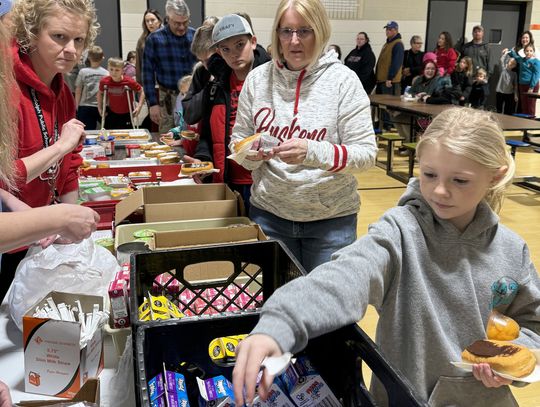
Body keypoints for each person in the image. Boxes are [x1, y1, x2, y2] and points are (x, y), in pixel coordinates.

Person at [232, 107, 540, 407]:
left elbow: (533, 326)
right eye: (429, 174)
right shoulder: (401, 230)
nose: (440, 191)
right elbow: (346, 276)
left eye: (460, 180)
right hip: (402, 397)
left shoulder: (512, 250)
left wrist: (513, 361)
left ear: (494, 176)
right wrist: (281, 323)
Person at [229, 0, 377, 271]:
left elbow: (366, 154)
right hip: (269, 216)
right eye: (286, 31)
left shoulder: (344, 82)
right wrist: (250, 154)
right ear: (277, 34)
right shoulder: (257, 80)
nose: (294, 41)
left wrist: (312, 152)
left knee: (330, 312)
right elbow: (238, 139)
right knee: (277, 308)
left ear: (320, 31)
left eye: (304, 31)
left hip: (331, 222)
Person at [0, 0, 99, 297]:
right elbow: (5, 178)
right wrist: (60, 146)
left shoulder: (62, 90)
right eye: (59, 37)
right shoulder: (7, 87)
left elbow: (70, 164)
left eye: (78, 40)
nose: (71, 49)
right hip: (12, 237)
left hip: (42, 235)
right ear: (31, 33)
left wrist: (71, 213)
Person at [183, 14, 271, 214]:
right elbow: (207, 132)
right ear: (219, 53)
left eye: (240, 44)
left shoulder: (272, 80)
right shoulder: (216, 85)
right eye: (226, 49)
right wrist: (202, 158)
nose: (234, 54)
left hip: (264, 183)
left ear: (253, 42)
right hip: (227, 179)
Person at [142, 0, 197, 133]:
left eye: (185, 22)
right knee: (167, 137)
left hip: (192, 97)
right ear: (168, 18)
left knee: (191, 135)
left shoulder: (195, 35)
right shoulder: (155, 39)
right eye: (177, 23)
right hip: (166, 98)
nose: (182, 27)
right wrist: (153, 104)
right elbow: (147, 74)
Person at [392, 60, 452, 148]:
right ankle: (406, 143)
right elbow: (410, 92)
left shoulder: (438, 81)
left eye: (432, 69)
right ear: (423, 70)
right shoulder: (419, 79)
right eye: (428, 68)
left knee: (407, 119)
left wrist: (427, 97)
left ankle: (413, 146)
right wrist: (416, 95)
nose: (430, 71)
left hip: (430, 115)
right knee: (397, 116)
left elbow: (441, 98)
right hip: (416, 110)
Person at [97, 57, 145, 129]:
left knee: (127, 135)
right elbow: (100, 93)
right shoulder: (104, 81)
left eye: (117, 70)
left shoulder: (129, 81)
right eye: (111, 69)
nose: (113, 72)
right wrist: (100, 108)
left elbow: (142, 91)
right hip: (112, 112)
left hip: (127, 113)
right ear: (108, 68)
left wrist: (139, 107)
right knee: (111, 134)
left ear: (122, 70)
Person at [75, 45, 108, 130]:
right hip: (101, 106)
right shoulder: (107, 73)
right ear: (102, 58)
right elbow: (107, 92)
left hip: (85, 106)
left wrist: (76, 106)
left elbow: (78, 90)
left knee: (87, 133)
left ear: (89, 57)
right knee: (105, 131)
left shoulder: (83, 72)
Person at [507, 45, 540, 117]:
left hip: (531, 85)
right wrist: (509, 51)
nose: (528, 52)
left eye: (531, 51)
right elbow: (514, 56)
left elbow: (536, 74)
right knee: (524, 105)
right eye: (527, 51)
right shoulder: (521, 59)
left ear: (533, 52)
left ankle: (531, 122)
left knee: (530, 105)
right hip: (522, 85)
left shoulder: (536, 61)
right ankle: (525, 122)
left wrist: (531, 87)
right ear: (524, 52)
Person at [135, 8, 163, 85]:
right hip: (149, 81)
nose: (150, 23)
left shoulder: (167, 37)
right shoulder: (142, 40)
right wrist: (140, 83)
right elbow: (139, 64)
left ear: (159, 21)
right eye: (147, 21)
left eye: (152, 20)